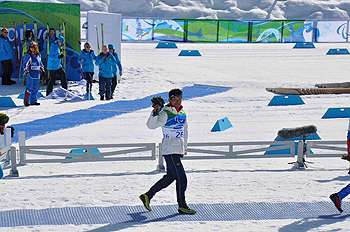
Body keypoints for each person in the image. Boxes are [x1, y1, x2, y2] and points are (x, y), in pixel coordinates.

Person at [139, 89, 196, 215]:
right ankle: (182, 205)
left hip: (178, 149)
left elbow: (184, 130)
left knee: (171, 176)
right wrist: (155, 112)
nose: (177, 101)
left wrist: (184, 147)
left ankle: (147, 196)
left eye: (179, 98)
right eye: (174, 98)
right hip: (169, 149)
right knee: (182, 178)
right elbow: (151, 126)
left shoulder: (182, 112)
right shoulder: (164, 112)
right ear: (169, 99)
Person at [22, 42, 44, 106]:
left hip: (37, 73)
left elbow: (40, 63)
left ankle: (33, 101)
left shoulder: (38, 55)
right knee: (29, 88)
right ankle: (26, 101)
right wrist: (26, 70)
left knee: (35, 88)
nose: (32, 48)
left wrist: (42, 68)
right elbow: (25, 64)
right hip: (30, 73)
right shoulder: (28, 55)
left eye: (33, 47)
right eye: (31, 47)